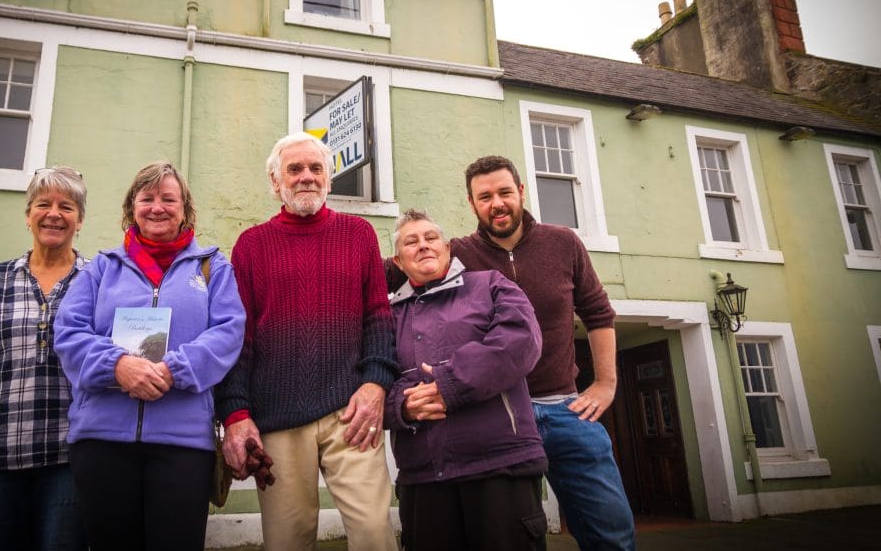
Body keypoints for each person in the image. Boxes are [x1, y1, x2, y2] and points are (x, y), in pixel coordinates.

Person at [216, 132, 400, 551]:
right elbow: (238, 339)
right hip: (277, 419)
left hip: (351, 411)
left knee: (375, 534)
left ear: (329, 181)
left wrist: (376, 385)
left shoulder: (358, 234)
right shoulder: (250, 245)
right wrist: (235, 414)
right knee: (287, 542)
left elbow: (378, 317)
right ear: (275, 183)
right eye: (294, 169)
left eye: (316, 169)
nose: (306, 177)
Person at [53, 161, 246, 550]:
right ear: (132, 208)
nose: (157, 207)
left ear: (185, 208)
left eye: (168, 199)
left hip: (183, 444)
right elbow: (69, 332)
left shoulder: (212, 267)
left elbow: (228, 332)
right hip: (101, 441)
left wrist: (176, 370)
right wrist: (118, 366)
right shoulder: (101, 269)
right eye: (147, 198)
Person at [453, 155, 636, 551]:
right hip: (498, 414)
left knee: (612, 532)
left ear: (520, 191)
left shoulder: (564, 242)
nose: (496, 204)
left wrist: (605, 383)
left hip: (566, 410)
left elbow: (599, 313)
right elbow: (397, 270)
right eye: (484, 197)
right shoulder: (458, 255)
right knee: (507, 538)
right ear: (471, 204)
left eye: (504, 192)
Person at [385, 209, 548, 551]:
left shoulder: (491, 284)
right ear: (399, 262)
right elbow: (371, 381)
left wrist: (450, 385)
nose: (423, 246)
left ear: (447, 248)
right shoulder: (387, 315)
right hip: (424, 477)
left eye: (431, 238)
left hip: (500, 468)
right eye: (411, 242)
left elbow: (519, 342)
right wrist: (401, 405)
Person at [0, 166, 89, 550]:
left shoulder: (97, 280)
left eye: (67, 206)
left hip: (70, 458)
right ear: (28, 216)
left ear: (80, 219)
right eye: (43, 204)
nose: (54, 213)